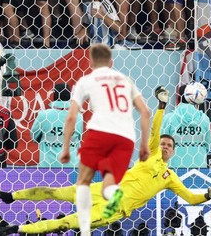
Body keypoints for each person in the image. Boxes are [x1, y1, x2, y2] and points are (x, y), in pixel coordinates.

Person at [0, 86, 211, 235]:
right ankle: (11, 197)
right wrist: (162, 107)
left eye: (169, 145)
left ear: (173, 152)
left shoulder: (171, 178)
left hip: (115, 208)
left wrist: (209, 194)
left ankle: (14, 229)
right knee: (55, 192)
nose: (165, 146)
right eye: (164, 144)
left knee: (68, 223)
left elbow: (191, 198)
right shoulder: (152, 153)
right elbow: (155, 132)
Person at [58, 43, 150, 236]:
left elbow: (71, 117)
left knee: (83, 182)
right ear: (111, 62)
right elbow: (145, 112)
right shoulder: (125, 80)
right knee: (110, 181)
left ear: (91, 62)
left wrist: (65, 147)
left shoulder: (86, 81)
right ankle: (113, 194)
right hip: (125, 138)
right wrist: (144, 146)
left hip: (100, 133)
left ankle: (84, 231)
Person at [31, 83, 83, 167]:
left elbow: (34, 137)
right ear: (70, 96)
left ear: (54, 95)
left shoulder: (43, 115)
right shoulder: (78, 116)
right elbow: (79, 138)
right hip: (72, 165)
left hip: (48, 165)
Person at [161, 84, 211, 168]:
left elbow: (161, 145)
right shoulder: (204, 119)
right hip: (200, 166)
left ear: (178, 97)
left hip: (174, 167)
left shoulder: (169, 118)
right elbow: (208, 145)